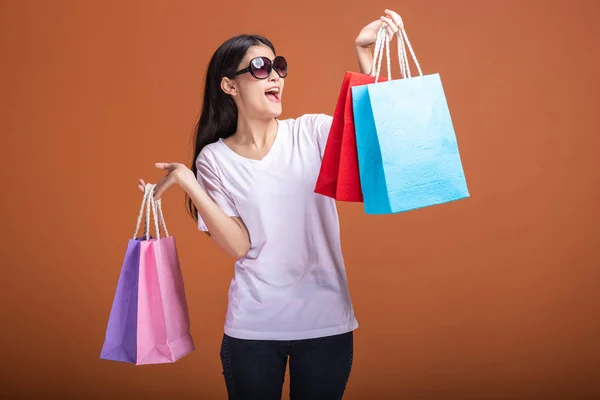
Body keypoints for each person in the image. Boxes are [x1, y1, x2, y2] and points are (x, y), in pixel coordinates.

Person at [138, 9, 404, 400]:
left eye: (278, 66)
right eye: (261, 67)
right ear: (230, 86)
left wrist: (365, 55)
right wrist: (188, 182)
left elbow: (380, 138)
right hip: (253, 329)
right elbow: (238, 246)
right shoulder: (214, 159)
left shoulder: (312, 133)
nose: (276, 75)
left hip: (326, 324)